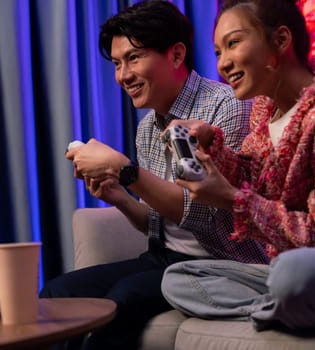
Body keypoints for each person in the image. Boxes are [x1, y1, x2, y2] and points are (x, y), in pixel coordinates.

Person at [39, 1, 268, 349]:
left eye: (133, 58)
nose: (122, 75)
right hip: (164, 258)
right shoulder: (147, 127)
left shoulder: (226, 107)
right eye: (116, 64)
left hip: (219, 262)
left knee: (123, 298)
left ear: (176, 55)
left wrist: (124, 169)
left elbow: (207, 215)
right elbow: (159, 224)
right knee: (58, 292)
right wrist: (119, 195)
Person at [161, 0, 315, 332]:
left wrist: (232, 199)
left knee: (293, 272)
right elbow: (252, 175)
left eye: (233, 43)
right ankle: (279, 307)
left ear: (281, 41)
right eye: (217, 52)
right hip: (284, 268)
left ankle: (286, 302)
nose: (223, 63)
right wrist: (211, 145)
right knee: (178, 278)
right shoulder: (263, 109)